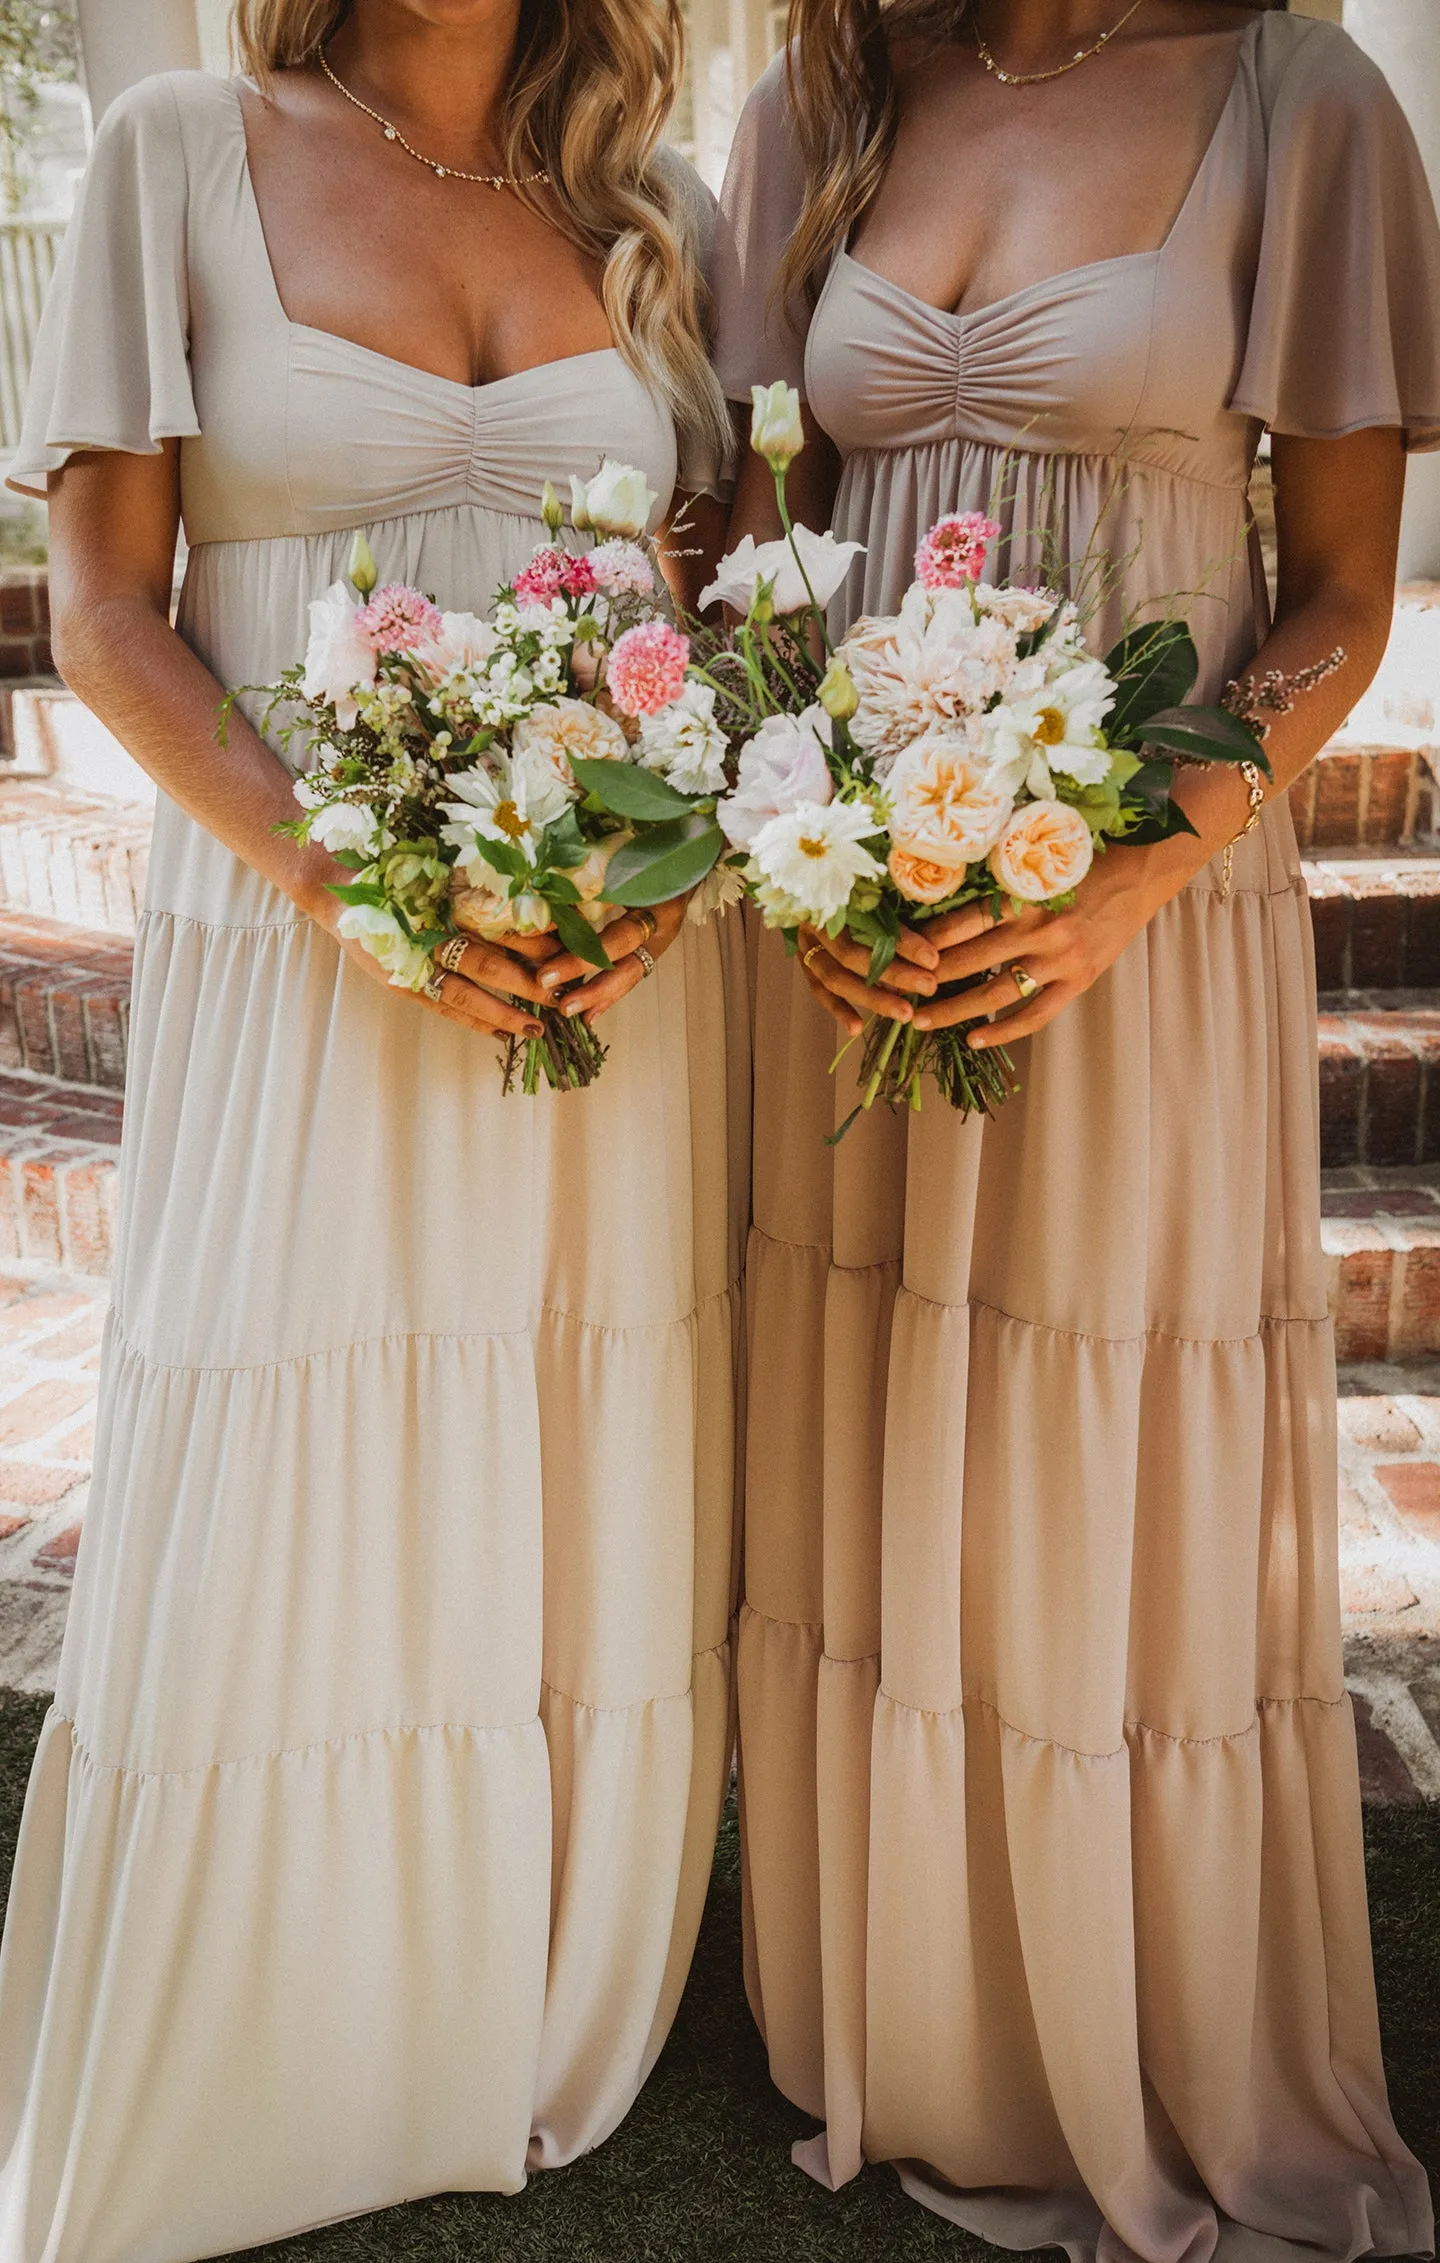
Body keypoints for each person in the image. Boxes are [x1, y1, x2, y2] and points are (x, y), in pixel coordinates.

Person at [0, 3, 745, 2256]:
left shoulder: (659, 210)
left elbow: (698, 620)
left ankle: (533, 1978)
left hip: (610, 966)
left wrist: (657, 870)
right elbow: (109, 616)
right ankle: (291, 2020)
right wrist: (359, 881)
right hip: (312, 948)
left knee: (569, 1421)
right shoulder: (175, 157)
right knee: (294, 1429)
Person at [712, 2, 1439, 2254]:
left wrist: (1123, 876)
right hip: (847, 904)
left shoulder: (1301, 102)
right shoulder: (818, 101)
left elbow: (1334, 600)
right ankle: (896, 2002)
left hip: (1142, 911)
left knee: (1084, 1428)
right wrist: (801, 834)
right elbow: (759, 528)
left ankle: (1129, 2015)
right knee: (876, 1396)